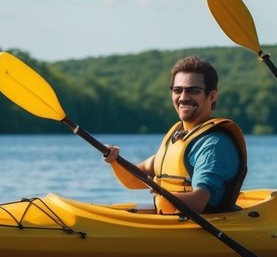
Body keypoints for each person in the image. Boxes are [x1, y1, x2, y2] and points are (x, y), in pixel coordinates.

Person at [104, 55, 247, 214]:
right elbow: (134, 179)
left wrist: (163, 196)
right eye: (178, 90)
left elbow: (198, 202)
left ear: (212, 96)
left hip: (203, 229)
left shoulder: (213, 145)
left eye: (193, 90)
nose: (184, 97)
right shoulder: (179, 135)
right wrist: (114, 160)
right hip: (171, 218)